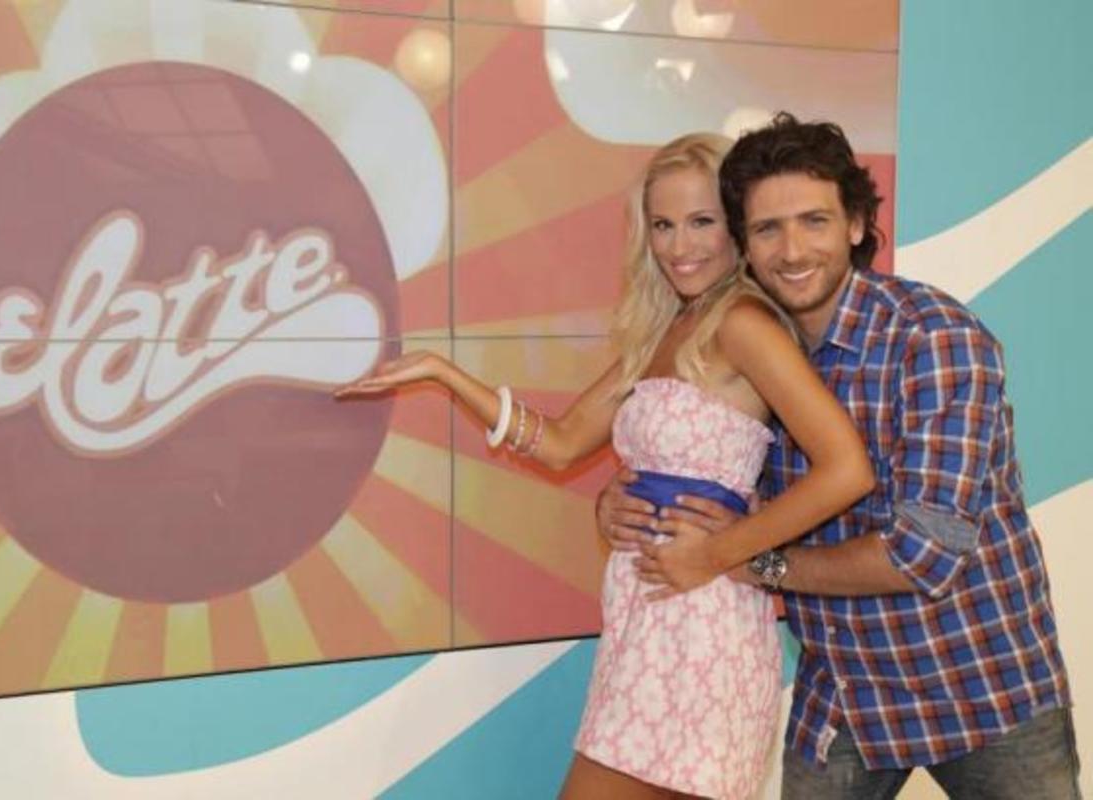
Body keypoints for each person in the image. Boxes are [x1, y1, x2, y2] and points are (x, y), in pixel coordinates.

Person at [336, 132, 873, 799]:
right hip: (643, 625)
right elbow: (561, 442)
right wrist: (445, 375)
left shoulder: (743, 324)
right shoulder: (667, 330)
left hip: (701, 628)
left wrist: (719, 552)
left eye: (702, 221)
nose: (680, 246)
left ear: (736, 229)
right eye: (663, 225)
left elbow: (846, 469)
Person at [597, 113, 1080, 798]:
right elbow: (703, 459)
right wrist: (621, 500)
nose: (792, 250)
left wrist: (747, 560)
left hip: (980, 686)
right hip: (846, 692)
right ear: (744, 243)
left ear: (855, 224)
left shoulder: (934, 340)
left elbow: (922, 554)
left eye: (814, 221)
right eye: (768, 229)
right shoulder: (744, 344)